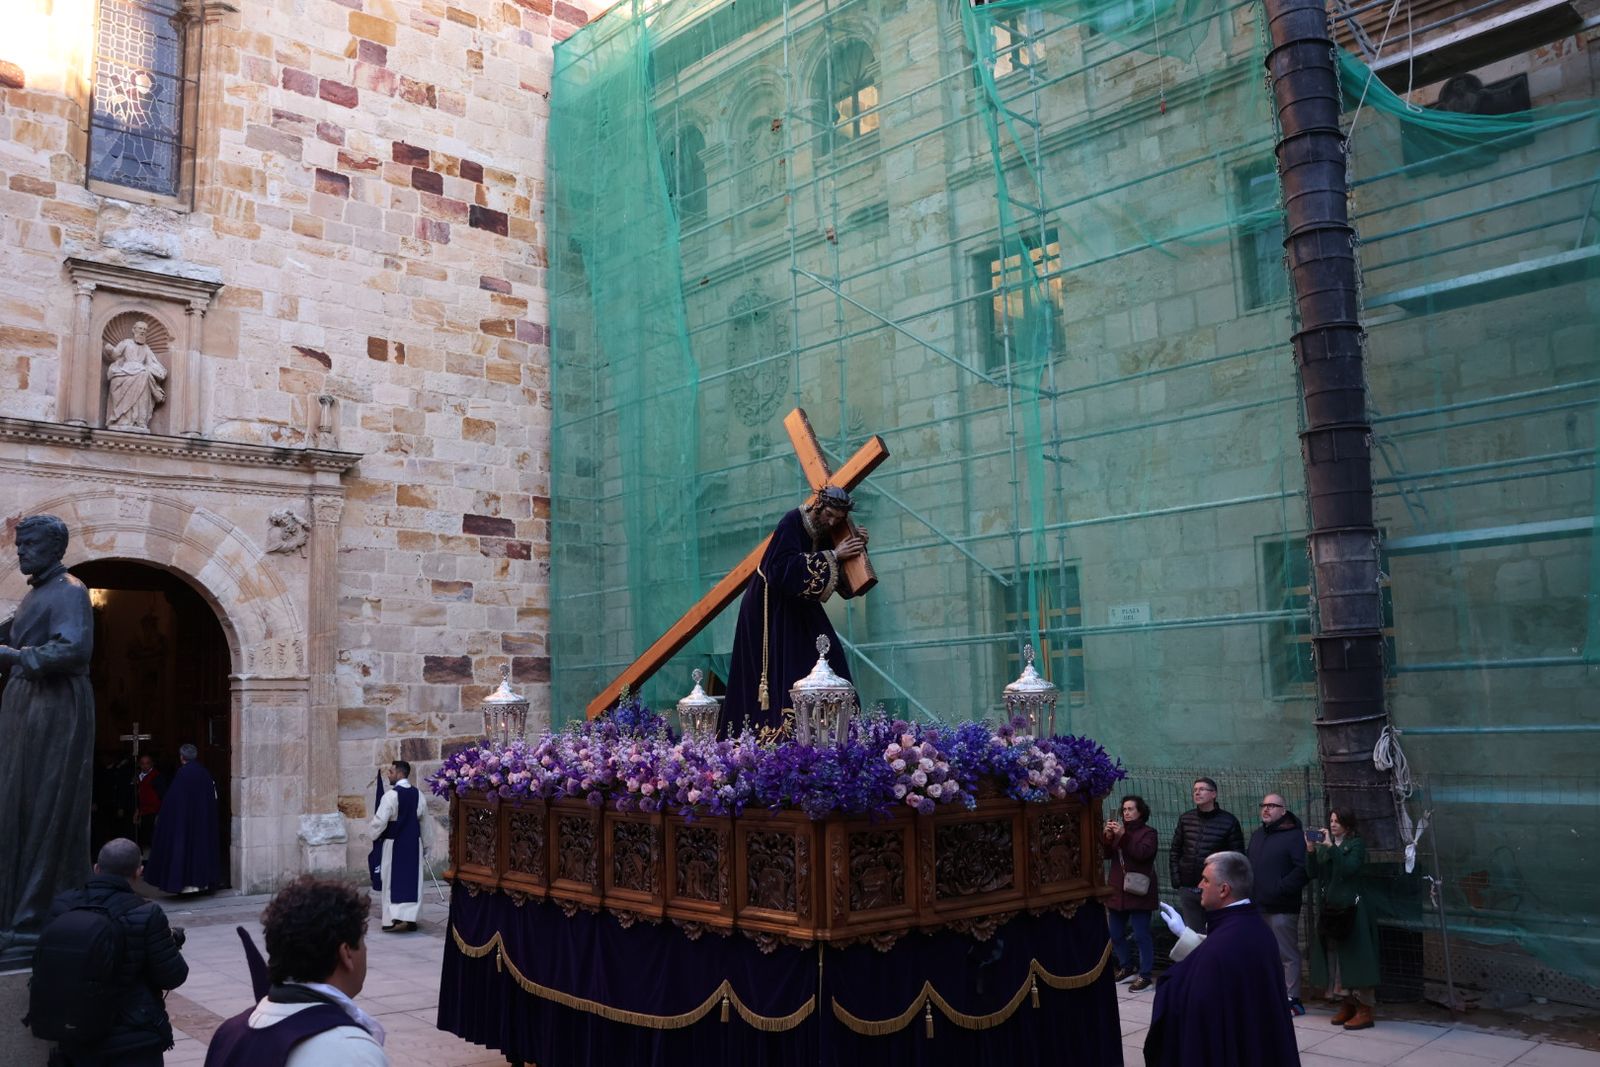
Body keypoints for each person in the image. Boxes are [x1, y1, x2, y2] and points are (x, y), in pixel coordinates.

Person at [0, 514, 96, 959]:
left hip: (53, 706)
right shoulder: (35, 594)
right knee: (16, 801)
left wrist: (14, 655)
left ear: (54, 548)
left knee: (43, 803)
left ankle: (35, 912)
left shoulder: (70, 591)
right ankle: (16, 908)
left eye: (29, 544)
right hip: (27, 702)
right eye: (19, 544)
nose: (20, 551)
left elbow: (73, 648)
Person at [719, 485, 869, 736]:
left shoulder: (826, 530)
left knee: (829, 656)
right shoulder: (793, 521)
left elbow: (843, 583)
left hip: (798, 603)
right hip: (770, 607)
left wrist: (856, 547)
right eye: (829, 514)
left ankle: (838, 732)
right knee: (787, 665)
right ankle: (778, 733)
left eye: (838, 519)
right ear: (818, 506)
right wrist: (834, 554)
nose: (831, 522)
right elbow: (779, 569)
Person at [33, 838, 189, 1067]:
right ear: (139, 872)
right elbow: (173, 975)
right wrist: (169, 942)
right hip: (134, 1035)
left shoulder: (63, 906)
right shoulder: (147, 913)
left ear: (96, 868)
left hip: (76, 1031)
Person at [204, 876, 388, 1067]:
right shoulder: (352, 1051)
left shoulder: (228, 1036)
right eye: (362, 941)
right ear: (346, 953)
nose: (365, 951)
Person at [1144, 851, 1301, 1066]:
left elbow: (1195, 992)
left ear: (1224, 890)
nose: (1199, 885)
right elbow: (1214, 954)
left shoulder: (1226, 942)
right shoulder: (1255, 927)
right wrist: (1183, 933)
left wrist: (1167, 986)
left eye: (1206, 880)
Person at [1308, 807, 1380, 1031]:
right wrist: (1311, 850)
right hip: (1332, 909)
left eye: (1338, 821)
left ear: (1348, 824)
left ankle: (1365, 1009)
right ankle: (1346, 1003)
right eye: (1331, 820)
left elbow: (1348, 869)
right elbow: (1314, 873)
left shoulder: (1356, 845)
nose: (1333, 824)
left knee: (1357, 957)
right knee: (1336, 957)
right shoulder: (1327, 845)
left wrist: (1331, 847)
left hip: (1353, 908)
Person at [1248, 791, 1310, 1016]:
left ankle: (1292, 999)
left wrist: (1280, 888)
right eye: (1264, 805)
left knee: (1287, 955)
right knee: (1262, 953)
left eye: (1272, 806)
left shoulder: (1295, 836)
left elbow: (1303, 870)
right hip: (1257, 906)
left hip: (1282, 907)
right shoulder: (1257, 835)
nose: (1266, 809)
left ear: (1283, 811)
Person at [144, 743, 222, 894]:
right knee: (199, 850)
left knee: (185, 850)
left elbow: (172, 801)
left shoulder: (183, 774)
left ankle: (187, 884)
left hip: (184, 823)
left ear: (181, 757)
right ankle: (202, 883)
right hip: (202, 823)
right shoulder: (204, 773)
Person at [1168, 777, 1243, 931]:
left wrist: (1225, 886)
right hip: (1188, 888)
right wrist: (1177, 879)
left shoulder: (1229, 822)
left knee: (1218, 933)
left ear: (1213, 794)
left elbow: (1236, 858)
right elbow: (1175, 850)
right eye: (1195, 790)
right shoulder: (1185, 819)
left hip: (1215, 890)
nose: (1197, 792)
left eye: (1202, 789)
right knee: (1192, 935)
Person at [1102, 793, 1158, 991]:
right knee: (1115, 933)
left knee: (1141, 934)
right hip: (1118, 890)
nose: (1126, 812)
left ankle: (1145, 975)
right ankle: (1127, 966)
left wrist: (1122, 837)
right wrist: (1108, 838)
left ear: (1140, 811)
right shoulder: (1120, 832)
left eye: (1130, 809)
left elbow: (1142, 854)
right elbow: (1105, 855)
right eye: (1124, 809)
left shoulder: (1149, 833)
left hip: (1139, 890)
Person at [368, 759, 425, 932]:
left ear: (400, 773)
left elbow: (379, 821)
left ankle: (391, 919)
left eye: (391, 772)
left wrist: (372, 835)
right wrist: (427, 845)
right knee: (413, 881)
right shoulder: (419, 795)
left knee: (390, 882)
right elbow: (425, 822)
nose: (389, 774)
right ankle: (411, 918)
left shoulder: (390, 796)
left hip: (393, 846)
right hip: (414, 846)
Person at [103, 318, 168, 432]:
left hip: (141, 373)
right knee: (134, 379)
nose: (142, 331)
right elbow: (116, 355)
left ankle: (138, 420)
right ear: (134, 330)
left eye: (144, 329)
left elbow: (152, 363)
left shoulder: (146, 348)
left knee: (144, 377)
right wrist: (110, 350)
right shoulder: (126, 343)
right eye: (140, 328)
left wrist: (156, 370)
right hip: (126, 370)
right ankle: (122, 419)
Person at [133, 752, 168, 851]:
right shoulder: (137, 777)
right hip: (143, 812)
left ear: (152, 764)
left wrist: (160, 814)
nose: (145, 766)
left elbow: (163, 796)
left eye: (147, 763)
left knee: (153, 839)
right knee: (142, 839)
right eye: (142, 763)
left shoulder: (157, 777)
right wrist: (137, 810)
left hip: (153, 812)